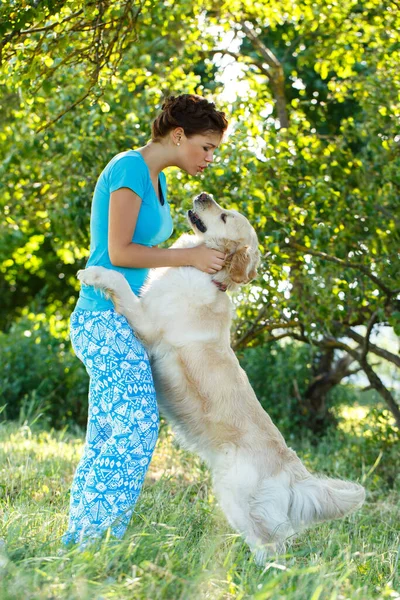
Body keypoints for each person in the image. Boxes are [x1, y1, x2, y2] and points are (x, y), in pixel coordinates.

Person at [62, 94, 229, 548]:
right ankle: (95, 542)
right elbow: (118, 254)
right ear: (179, 136)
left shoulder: (155, 180)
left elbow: (148, 265)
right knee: (135, 428)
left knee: (110, 434)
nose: (211, 158)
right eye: (207, 146)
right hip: (102, 318)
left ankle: (83, 543)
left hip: (126, 320)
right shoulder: (130, 168)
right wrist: (188, 256)